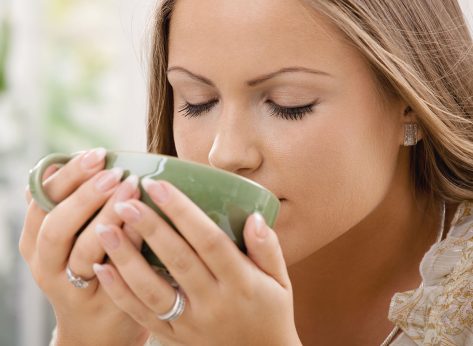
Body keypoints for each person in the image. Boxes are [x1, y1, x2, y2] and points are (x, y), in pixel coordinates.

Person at [19, 0, 473, 345]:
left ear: (410, 103)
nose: (224, 152)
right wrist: (84, 335)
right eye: (197, 101)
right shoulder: (157, 284)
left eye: (288, 104)